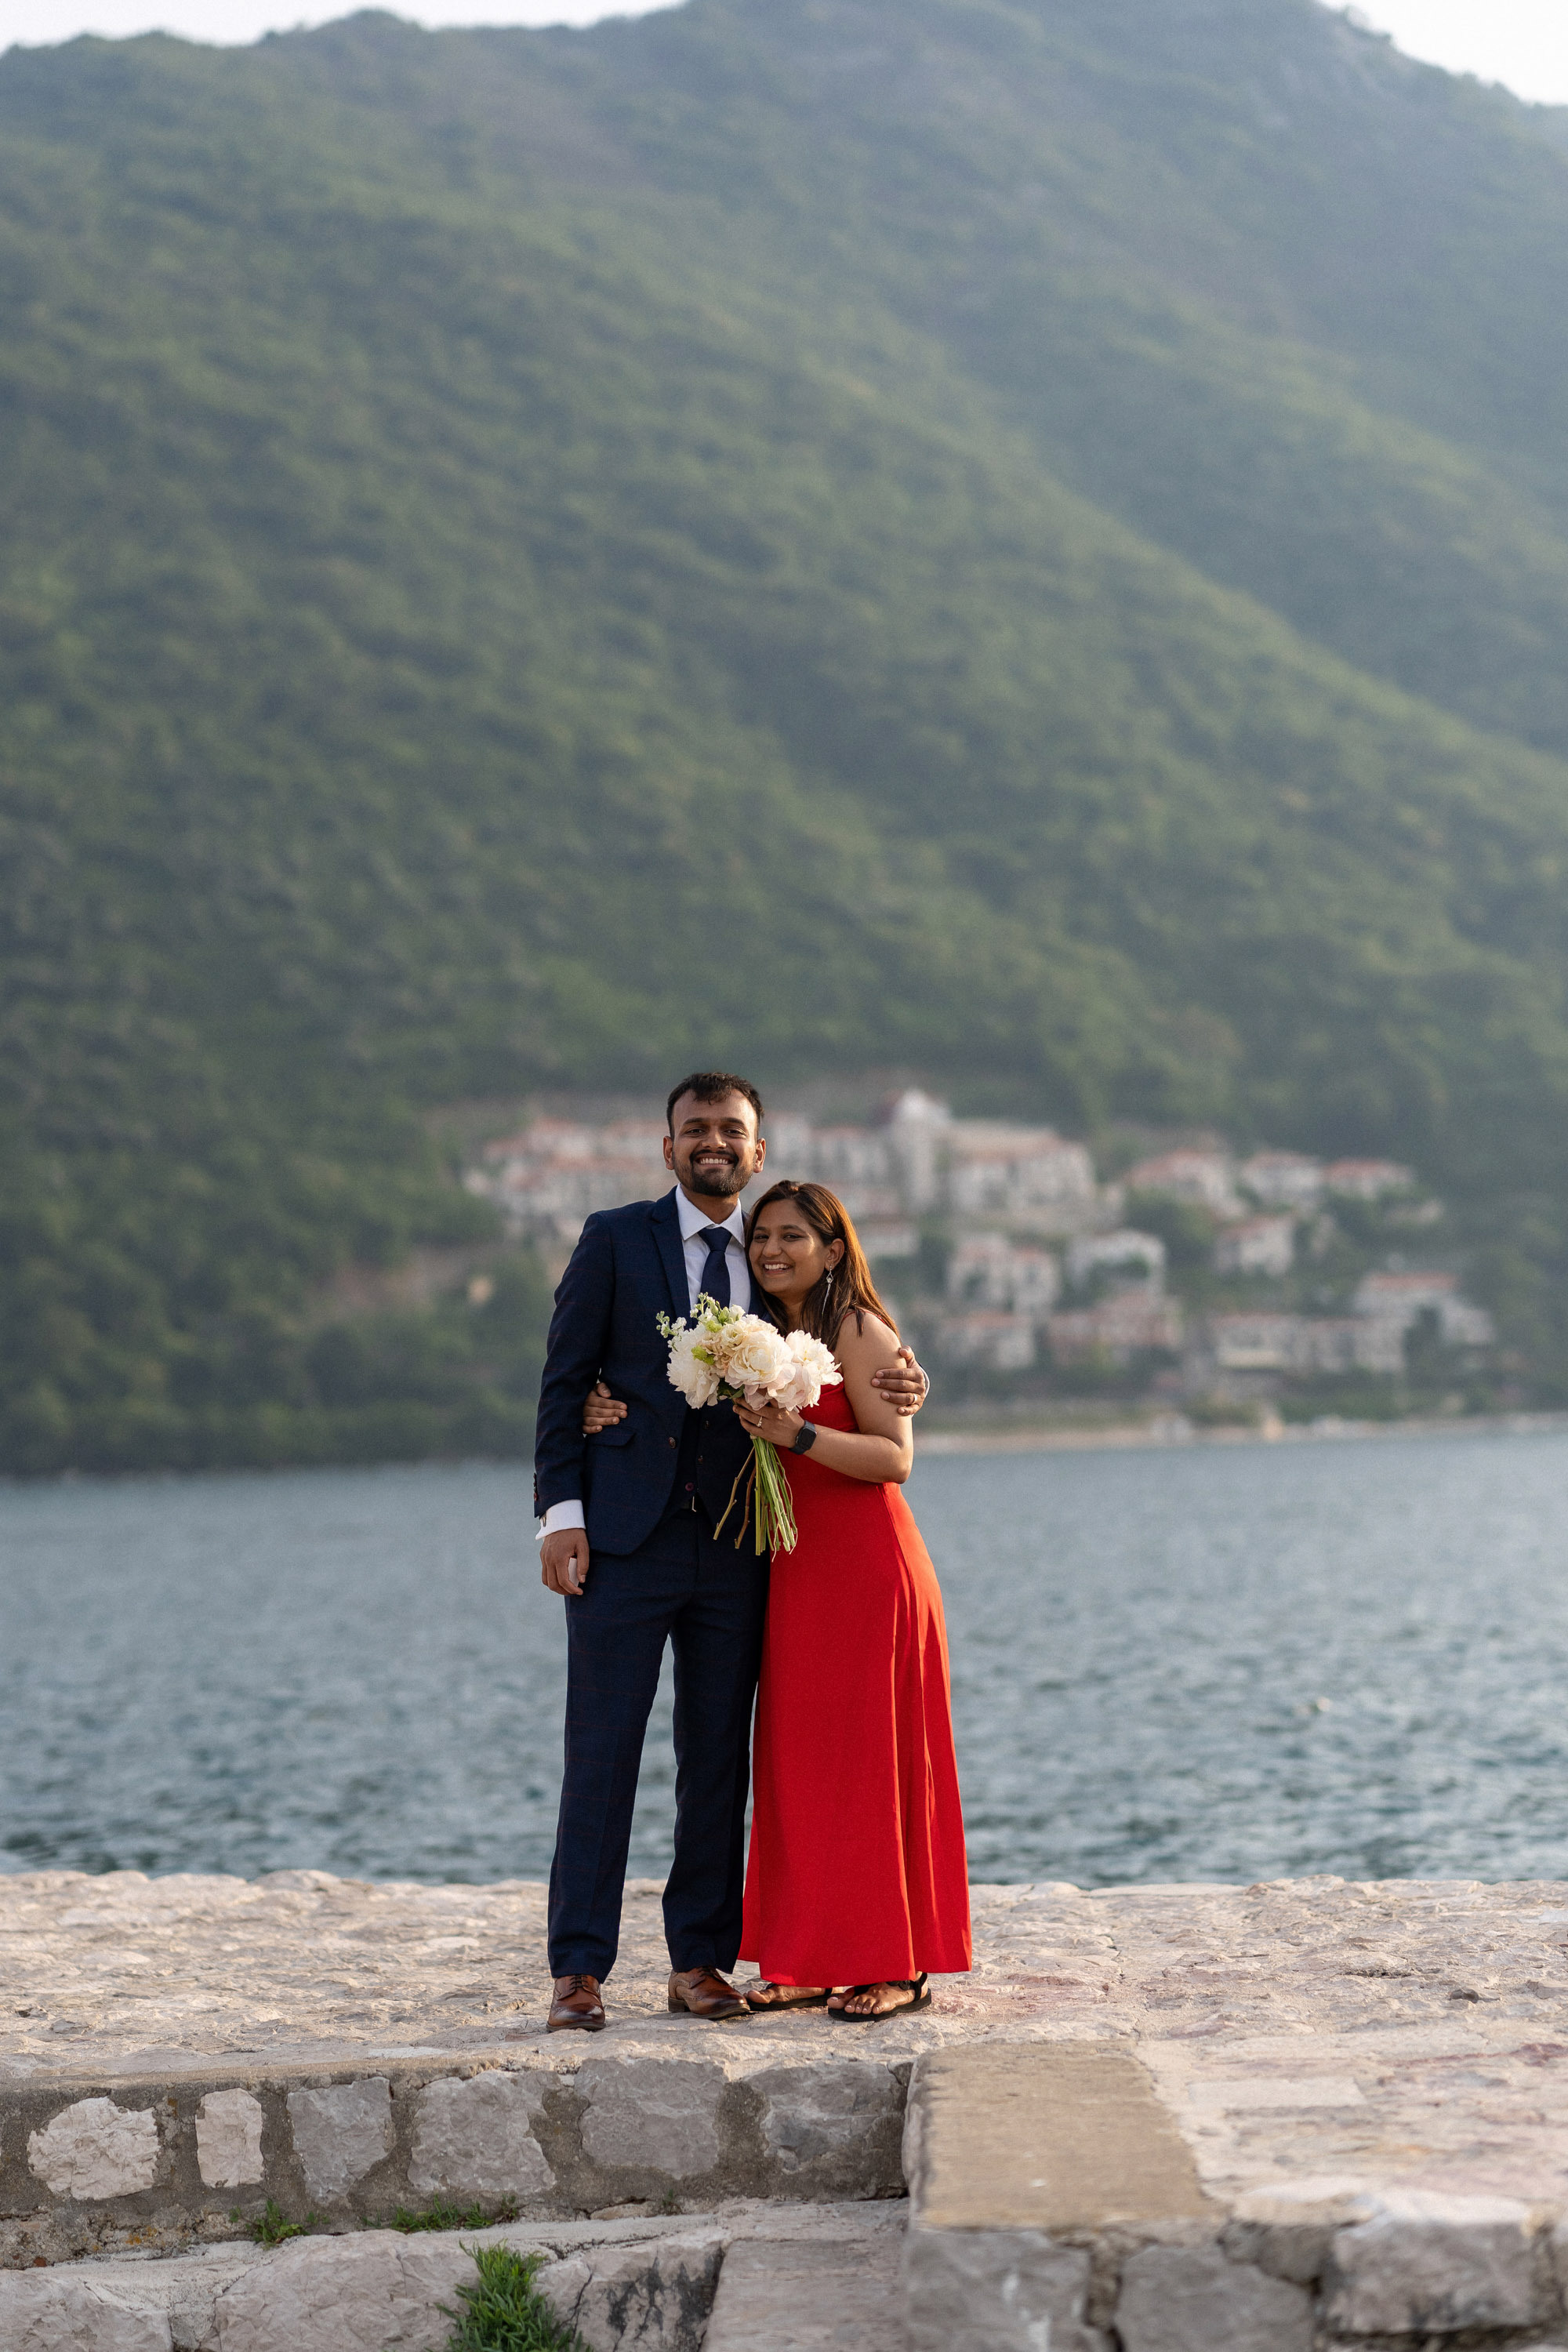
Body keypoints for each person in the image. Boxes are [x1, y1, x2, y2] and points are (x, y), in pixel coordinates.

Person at [532, 1073, 929, 2033]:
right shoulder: (613, 1239)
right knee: (602, 1754)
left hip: (744, 1549)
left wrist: (911, 1375)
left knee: (717, 1760)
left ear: (757, 1152)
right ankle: (577, 1972)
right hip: (623, 1541)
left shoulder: (777, 1257)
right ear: (667, 1147)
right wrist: (560, 1513)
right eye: (694, 1129)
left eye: (731, 1131)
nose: (712, 1142)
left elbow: (850, 1344)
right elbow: (563, 1379)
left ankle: (699, 1962)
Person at [735, 1181, 970, 2017]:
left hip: (868, 1570)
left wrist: (793, 1433)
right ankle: (801, 1958)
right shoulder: (755, 1332)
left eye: (792, 1236)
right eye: (760, 1234)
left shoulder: (858, 1327)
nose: (771, 1249)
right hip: (798, 1571)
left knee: (873, 1763)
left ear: (832, 1248)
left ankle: (894, 1964)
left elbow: (893, 1458)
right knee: (801, 1762)